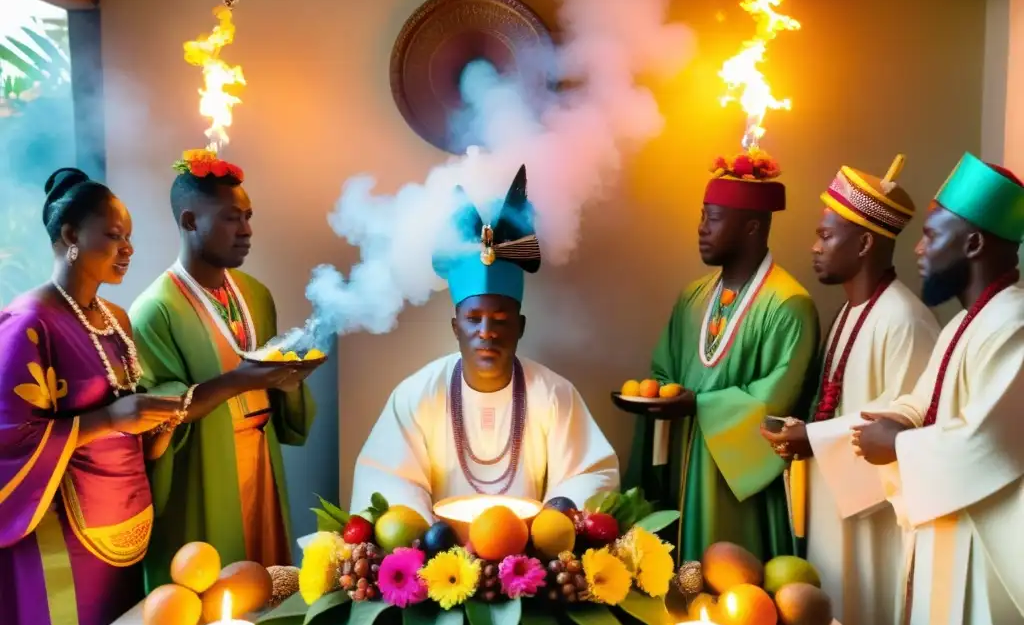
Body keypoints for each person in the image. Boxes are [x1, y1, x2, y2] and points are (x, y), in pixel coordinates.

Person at [0, 169, 184, 625]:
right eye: (113, 236)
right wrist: (110, 421)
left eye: (129, 236)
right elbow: (10, 435)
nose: (128, 248)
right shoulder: (29, 325)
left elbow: (123, 409)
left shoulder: (115, 320)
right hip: (59, 529)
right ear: (70, 236)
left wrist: (155, 425)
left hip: (122, 522)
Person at [852, 153, 1024, 625]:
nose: (918, 249)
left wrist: (898, 443)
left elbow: (987, 443)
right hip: (948, 536)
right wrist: (891, 421)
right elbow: (923, 403)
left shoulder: (1016, 324)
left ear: (973, 242)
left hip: (987, 556)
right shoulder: (962, 325)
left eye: (930, 234)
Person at [350, 165, 618, 520]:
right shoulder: (418, 395)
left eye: (502, 320)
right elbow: (386, 477)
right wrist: (426, 529)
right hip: (441, 559)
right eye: (473, 320)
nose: (487, 332)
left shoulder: (555, 394)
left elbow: (589, 474)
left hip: (530, 557)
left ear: (520, 327)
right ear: (454, 327)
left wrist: (552, 520)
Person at [760, 155, 939, 625]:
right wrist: (807, 434)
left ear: (864, 243)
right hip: (833, 509)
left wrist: (813, 438)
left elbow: (906, 428)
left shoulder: (905, 320)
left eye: (826, 235)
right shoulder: (847, 312)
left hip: (873, 523)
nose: (815, 246)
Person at [130, 149, 319, 592]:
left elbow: (275, 387)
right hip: (203, 470)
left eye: (249, 216)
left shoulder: (255, 294)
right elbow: (157, 417)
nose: (248, 231)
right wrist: (241, 380)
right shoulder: (155, 310)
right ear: (191, 221)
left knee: (267, 581)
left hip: (260, 455)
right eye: (233, 218)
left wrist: (287, 382)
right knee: (212, 591)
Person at [625, 151, 820, 564]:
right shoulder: (693, 296)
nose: (701, 229)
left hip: (734, 483)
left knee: (733, 588)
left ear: (752, 226)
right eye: (702, 216)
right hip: (680, 464)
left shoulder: (788, 305)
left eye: (713, 219)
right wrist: (658, 393)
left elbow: (775, 403)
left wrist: (699, 404)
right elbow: (664, 367)